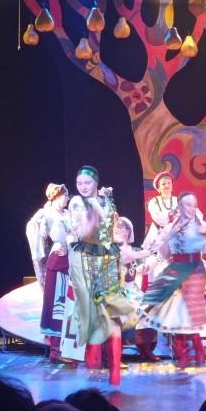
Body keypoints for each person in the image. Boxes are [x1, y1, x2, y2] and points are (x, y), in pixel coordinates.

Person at [141, 192, 206, 368]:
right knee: (176, 313)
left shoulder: (200, 226)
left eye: (194, 205)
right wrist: (167, 237)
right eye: (188, 204)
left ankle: (198, 349)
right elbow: (165, 254)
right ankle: (183, 355)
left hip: (194, 270)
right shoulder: (170, 227)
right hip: (175, 269)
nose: (192, 208)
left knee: (190, 312)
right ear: (179, 206)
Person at [67, 165, 135, 385]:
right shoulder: (77, 202)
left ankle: (115, 371)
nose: (83, 187)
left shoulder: (108, 202)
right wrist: (93, 217)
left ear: (96, 183)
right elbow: (82, 233)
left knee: (113, 314)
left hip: (108, 263)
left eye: (87, 182)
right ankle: (94, 365)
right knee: (92, 316)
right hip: (86, 263)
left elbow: (113, 232)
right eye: (79, 183)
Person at [115, 216, 160, 361]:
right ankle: (118, 351)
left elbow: (146, 261)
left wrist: (146, 265)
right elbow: (131, 256)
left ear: (128, 231)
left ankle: (146, 348)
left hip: (132, 289)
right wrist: (151, 249)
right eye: (116, 226)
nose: (117, 229)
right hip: (119, 290)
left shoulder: (132, 248)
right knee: (128, 312)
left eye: (121, 227)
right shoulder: (116, 248)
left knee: (150, 309)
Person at [38, 183, 72, 363]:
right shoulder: (48, 213)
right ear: (57, 196)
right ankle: (55, 350)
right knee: (58, 303)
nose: (67, 199)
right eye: (65, 196)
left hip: (70, 257)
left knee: (67, 304)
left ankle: (65, 347)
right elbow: (45, 236)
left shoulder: (67, 213)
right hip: (59, 259)